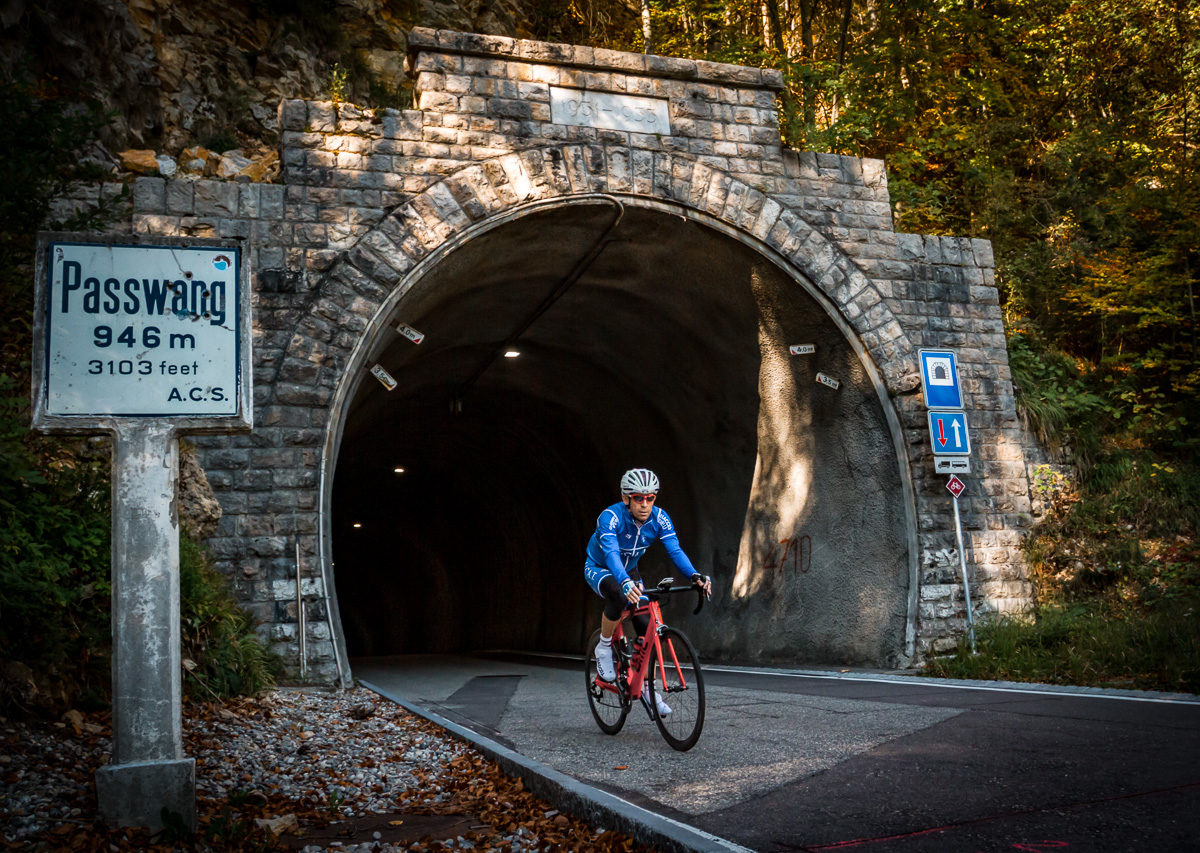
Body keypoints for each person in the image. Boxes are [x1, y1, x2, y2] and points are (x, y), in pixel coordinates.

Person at [584, 468, 712, 717]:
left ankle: (647, 688)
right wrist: (623, 582)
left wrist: (694, 576)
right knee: (619, 596)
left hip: (629, 570)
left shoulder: (660, 518)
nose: (645, 504)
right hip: (600, 567)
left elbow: (675, 550)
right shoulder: (610, 517)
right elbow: (611, 555)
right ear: (626, 498)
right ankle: (604, 646)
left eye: (650, 498)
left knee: (647, 625)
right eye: (638, 498)